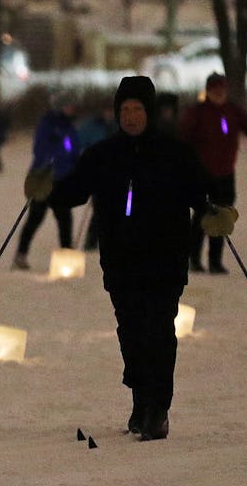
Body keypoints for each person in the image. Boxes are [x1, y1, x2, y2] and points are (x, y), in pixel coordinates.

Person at [27, 75, 224, 441]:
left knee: (160, 333)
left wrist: (214, 211)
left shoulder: (176, 154)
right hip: (120, 262)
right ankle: (140, 399)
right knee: (131, 334)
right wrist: (47, 187)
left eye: (137, 109)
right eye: (125, 110)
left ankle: (158, 409)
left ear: (149, 112)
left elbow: (203, 192)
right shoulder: (102, 156)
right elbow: (75, 192)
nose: (131, 117)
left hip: (165, 260)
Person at [178, 72, 247, 273]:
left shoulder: (232, 110)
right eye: (215, 89)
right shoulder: (197, 112)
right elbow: (183, 135)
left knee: (222, 216)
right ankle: (194, 259)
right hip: (201, 174)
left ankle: (215, 261)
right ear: (208, 90)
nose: (218, 92)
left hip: (226, 172)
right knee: (201, 217)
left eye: (221, 88)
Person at [13, 95, 80, 270]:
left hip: (62, 180)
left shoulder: (69, 126)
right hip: (44, 179)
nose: (71, 109)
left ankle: (67, 256)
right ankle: (21, 254)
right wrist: (53, 156)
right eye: (68, 106)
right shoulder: (48, 123)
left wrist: (73, 164)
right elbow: (40, 149)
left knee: (64, 219)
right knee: (35, 218)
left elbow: (72, 149)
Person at [75, 103, 115, 251]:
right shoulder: (92, 126)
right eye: (107, 110)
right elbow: (76, 142)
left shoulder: (117, 126)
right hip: (98, 173)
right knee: (99, 208)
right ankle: (92, 240)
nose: (109, 114)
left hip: (116, 173)